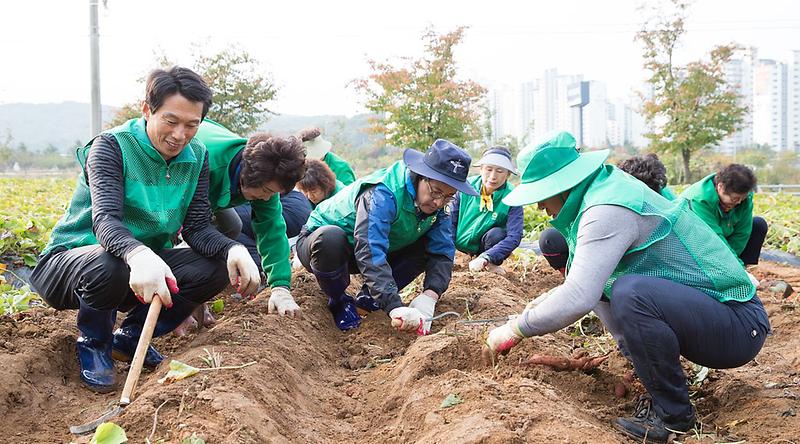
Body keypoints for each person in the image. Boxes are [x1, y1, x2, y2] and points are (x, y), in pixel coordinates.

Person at [482, 132, 770, 443]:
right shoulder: (599, 194)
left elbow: (580, 295)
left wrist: (516, 329)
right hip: (711, 318)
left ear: (564, 187)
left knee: (630, 292)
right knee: (616, 286)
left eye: (542, 194)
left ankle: (673, 417)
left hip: (738, 325)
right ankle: (655, 381)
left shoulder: (607, 208)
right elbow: (588, 282)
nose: (539, 205)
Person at [30, 67, 261, 392]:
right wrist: (138, 253)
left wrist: (233, 249)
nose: (180, 134)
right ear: (147, 110)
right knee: (111, 260)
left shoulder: (197, 157)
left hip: (140, 267)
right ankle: (94, 342)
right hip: (73, 264)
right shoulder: (112, 146)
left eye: (191, 125)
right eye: (171, 121)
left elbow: (196, 229)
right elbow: (106, 221)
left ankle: (132, 335)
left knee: (214, 267)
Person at [295, 139, 478, 332]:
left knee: (426, 243)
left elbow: (442, 251)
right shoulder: (383, 193)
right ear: (421, 176)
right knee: (331, 238)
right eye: (436, 192)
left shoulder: (439, 206)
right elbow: (369, 248)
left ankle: (369, 299)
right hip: (323, 247)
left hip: (371, 250)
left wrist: (430, 295)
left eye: (449, 196)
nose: (439, 202)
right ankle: (339, 301)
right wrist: (393, 304)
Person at [193, 119, 306, 317]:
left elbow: (272, 229)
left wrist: (280, 287)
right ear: (248, 173)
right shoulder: (209, 163)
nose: (267, 198)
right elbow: (182, 221)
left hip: (216, 191)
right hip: (177, 181)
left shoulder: (266, 177)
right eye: (266, 191)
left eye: (274, 193)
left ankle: (197, 289)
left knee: (232, 226)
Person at [540, 152, 677, 274]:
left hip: (649, 270)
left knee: (627, 288)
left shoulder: (663, 202)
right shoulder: (609, 196)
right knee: (550, 238)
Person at [450, 146, 523, 275]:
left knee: (497, 234)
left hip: (487, 246)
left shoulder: (513, 197)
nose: (493, 176)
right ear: (481, 169)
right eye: (489, 169)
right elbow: (450, 222)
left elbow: (515, 236)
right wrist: (448, 254)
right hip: (460, 243)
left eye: (500, 171)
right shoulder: (465, 187)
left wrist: (487, 256)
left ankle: (490, 265)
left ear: (508, 175)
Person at [681, 164, 767, 265]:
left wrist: (736, 264)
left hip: (723, 234)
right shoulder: (700, 199)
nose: (739, 202)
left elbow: (742, 233)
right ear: (720, 186)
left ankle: (743, 270)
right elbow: (714, 238)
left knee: (758, 225)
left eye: (742, 198)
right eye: (734, 199)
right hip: (697, 242)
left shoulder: (745, 198)